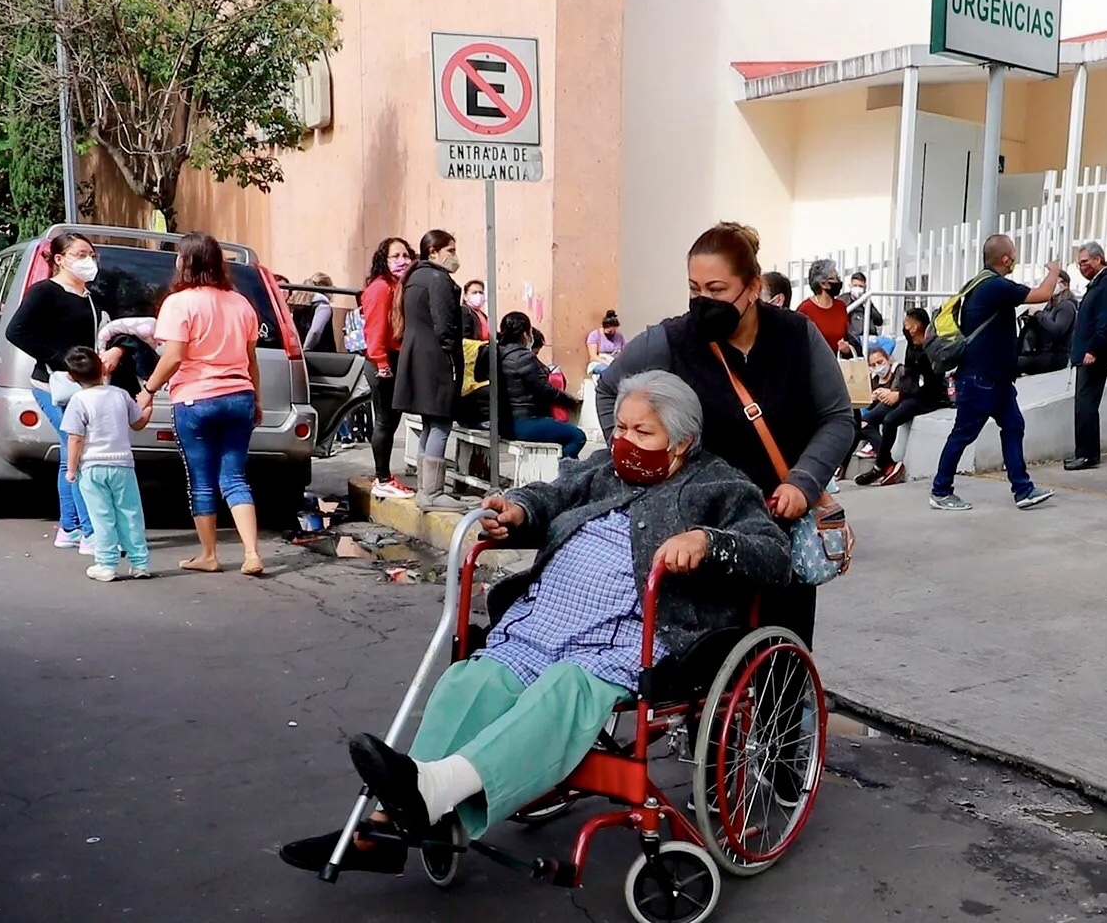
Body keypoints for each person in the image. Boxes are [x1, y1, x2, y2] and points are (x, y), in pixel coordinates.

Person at [277, 371, 792, 874]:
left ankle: (429, 796)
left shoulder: (721, 486)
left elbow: (773, 555)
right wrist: (519, 509)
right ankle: (387, 825)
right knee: (471, 681)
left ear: (682, 443)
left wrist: (707, 542)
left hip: (630, 635)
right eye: (620, 428)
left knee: (564, 690)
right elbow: (553, 494)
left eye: (643, 432)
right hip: (547, 619)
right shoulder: (603, 469)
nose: (625, 441)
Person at [597, 222, 854, 646]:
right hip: (698, 533)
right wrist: (636, 455)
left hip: (778, 527)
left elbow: (838, 418)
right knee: (705, 658)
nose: (703, 301)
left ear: (753, 287)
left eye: (716, 289)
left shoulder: (797, 336)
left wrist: (803, 481)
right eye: (694, 289)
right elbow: (610, 389)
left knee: (779, 652)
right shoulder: (670, 341)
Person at [136, 232, 266, 576]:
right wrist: (256, 397)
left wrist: (148, 389)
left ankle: (209, 555)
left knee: (202, 480)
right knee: (235, 477)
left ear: (186, 262)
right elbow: (251, 359)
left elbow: (174, 356)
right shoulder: (241, 303)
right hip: (239, 396)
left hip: (195, 399)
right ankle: (252, 553)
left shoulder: (179, 303)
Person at [929, 234, 1062, 512]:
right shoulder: (995, 286)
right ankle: (940, 491)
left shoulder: (981, 285)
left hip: (996, 380)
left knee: (1013, 426)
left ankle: (1023, 489)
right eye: (1013, 254)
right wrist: (1054, 271)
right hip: (981, 379)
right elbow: (1043, 294)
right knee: (963, 435)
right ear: (1005, 259)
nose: (1015, 258)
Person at [6, 231, 115, 553]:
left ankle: (70, 527)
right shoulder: (45, 293)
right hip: (54, 385)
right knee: (78, 451)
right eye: (80, 255)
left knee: (73, 455)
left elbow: (112, 331)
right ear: (59, 259)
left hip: (87, 388)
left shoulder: (92, 297)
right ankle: (90, 533)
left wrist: (113, 354)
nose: (89, 261)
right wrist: (60, 360)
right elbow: (17, 331)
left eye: (92, 255)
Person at [61, 346, 153, 582]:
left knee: (101, 516)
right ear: (103, 368)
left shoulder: (78, 401)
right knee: (131, 513)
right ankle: (140, 563)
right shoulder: (120, 395)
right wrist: (148, 406)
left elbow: (75, 438)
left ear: (71, 377)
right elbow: (138, 423)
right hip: (123, 464)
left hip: (91, 467)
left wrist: (71, 469)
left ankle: (106, 564)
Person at [394, 230, 466, 511]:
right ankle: (433, 492)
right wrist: (451, 355)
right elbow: (445, 324)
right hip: (436, 359)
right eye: (450, 250)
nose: (454, 256)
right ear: (433, 252)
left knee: (430, 422)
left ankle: (426, 489)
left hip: (418, 356)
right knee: (441, 422)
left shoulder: (415, 277)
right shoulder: (437, 279)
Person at [853, 308, 946, 487]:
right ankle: (887, 463)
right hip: (907, 392)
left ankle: (879, 467)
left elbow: (928, 385)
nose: (905, 327)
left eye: (907, 324)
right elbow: (908, 376)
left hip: (926, 397)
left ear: (915, 327)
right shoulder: (911, 346)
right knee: (866, 421)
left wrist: (900, 394)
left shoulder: (932, 348)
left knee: (890, 420)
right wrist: (896, 392)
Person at [361, 237, 416, 500]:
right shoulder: (381, 288)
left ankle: (384, 477)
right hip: (383, 362)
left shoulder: (399, 286)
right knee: (384, 421)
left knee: (391, 422)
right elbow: (375, 330)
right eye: (395, 256)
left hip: (395, 359)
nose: (402, 261)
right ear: (384, 260)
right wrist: (382, 364)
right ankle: (382, 478)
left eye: (406, 255)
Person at [494, 311, 586, 458]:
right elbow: (546, 391)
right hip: (525, 422)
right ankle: (560, 469)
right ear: (525, 334)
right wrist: (571, 401)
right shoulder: (524, 357)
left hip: (502, 423)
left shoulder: (494, 353)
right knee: (578, 436)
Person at [1065, 242, 1107, 471]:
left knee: (1086, 404)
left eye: (1085, 262)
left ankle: (1087, 454)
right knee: (1083, 404)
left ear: (1098, 259)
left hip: (1094, 354)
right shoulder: (1097, 283)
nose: (1082, 268)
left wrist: (1093, 349)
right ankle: (1084, 451)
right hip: (1086, 352)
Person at [1015, 269, 1075, 376]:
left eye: (1055, 281)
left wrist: (1038, 314)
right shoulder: (1050, 306)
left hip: (1055, 356)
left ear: (1065, 284)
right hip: (1042, 352)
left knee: (1016, 363)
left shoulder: (1066, 306)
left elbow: (1057, 330)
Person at [796, 259, 853, 356]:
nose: (838, 281)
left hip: (837, 361)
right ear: (823, 284)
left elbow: (847, 337)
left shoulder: (841, 306)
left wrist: (847, 349)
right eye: (834, 278)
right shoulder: (805, 309)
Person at [288, 272, 337, 354]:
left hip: (298, 349)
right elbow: (315, 331)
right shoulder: (322, 305)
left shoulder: (299, 303)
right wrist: (305, 350)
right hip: (319, 354)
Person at [844, 271, 884, 352]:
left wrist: (866, 305)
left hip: (871, 337)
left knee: (890, 342)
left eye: (860, 286)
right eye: (855, 285)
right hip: (854, 338)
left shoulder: (867, 300)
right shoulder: (843, 300)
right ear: (850, 286)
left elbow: (879, 321)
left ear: (865, 288)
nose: (857, 288)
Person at [584, 311, 623, 377]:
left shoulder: (619, 336)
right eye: (610, 331)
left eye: (614, 331)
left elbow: (624, 351)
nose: (612, 333)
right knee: (607, 371)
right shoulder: (595, 335)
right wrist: (607, 363)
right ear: (604, 327)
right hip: (599, 362)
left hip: (615, 362)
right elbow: (593, 356)